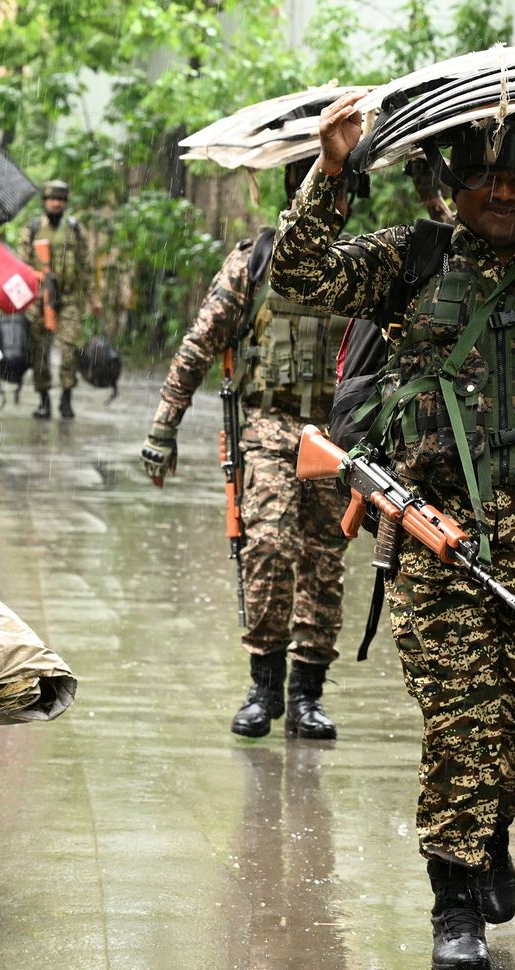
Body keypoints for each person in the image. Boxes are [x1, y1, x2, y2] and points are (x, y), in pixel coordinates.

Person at [269, 92, 515, 970]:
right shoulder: (408, 259)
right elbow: (299, 279)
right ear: (454, 183)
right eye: (487, 175)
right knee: (462, 717)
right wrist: (333, 172)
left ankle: (482, 830)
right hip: (437, 529)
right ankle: (455, 906)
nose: (504, 192)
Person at [140, 157, 350, 742]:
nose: (332, 204)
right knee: (269, 547)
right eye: (319, 189)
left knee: (324, 564)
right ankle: (264, 685)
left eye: (340, 192)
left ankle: (307, 694)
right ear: (295, 192)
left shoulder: (360, 266)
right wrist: (164, 425)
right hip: (267, 426)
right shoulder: (254, 260)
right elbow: (201, 342)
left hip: (333, 436)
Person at [24, 180, 97, 420]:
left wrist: (93, 297)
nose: (56, 204)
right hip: (40, 299)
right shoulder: (34, 228)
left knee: (68, 349)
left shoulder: (75, 229)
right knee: (40, 351)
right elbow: (23, 266)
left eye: (60, 200)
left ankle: (66, 397)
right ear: (45, 202)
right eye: (51, 199)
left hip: (69, 299)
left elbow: (87, 266)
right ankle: (43, 398)